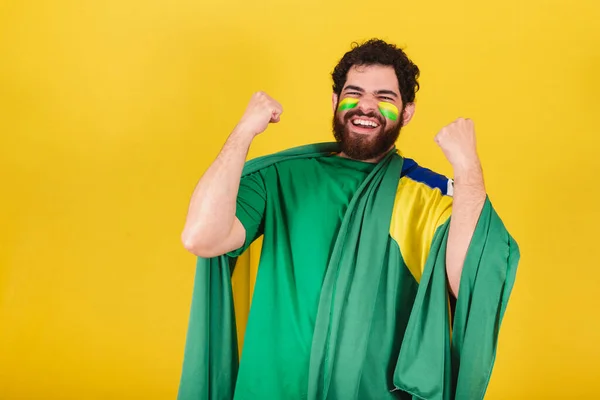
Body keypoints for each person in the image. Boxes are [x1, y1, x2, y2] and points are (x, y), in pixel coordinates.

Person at [178, 39, 520, 400]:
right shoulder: (282, 176)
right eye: (354, 92)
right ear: (335, 101)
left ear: (407, 113)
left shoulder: (425, 193)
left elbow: (469, 280)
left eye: (385, 97)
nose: (367, 106)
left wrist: (467, 167)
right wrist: (244, 130)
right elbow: (202, 237)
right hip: (271, 389)